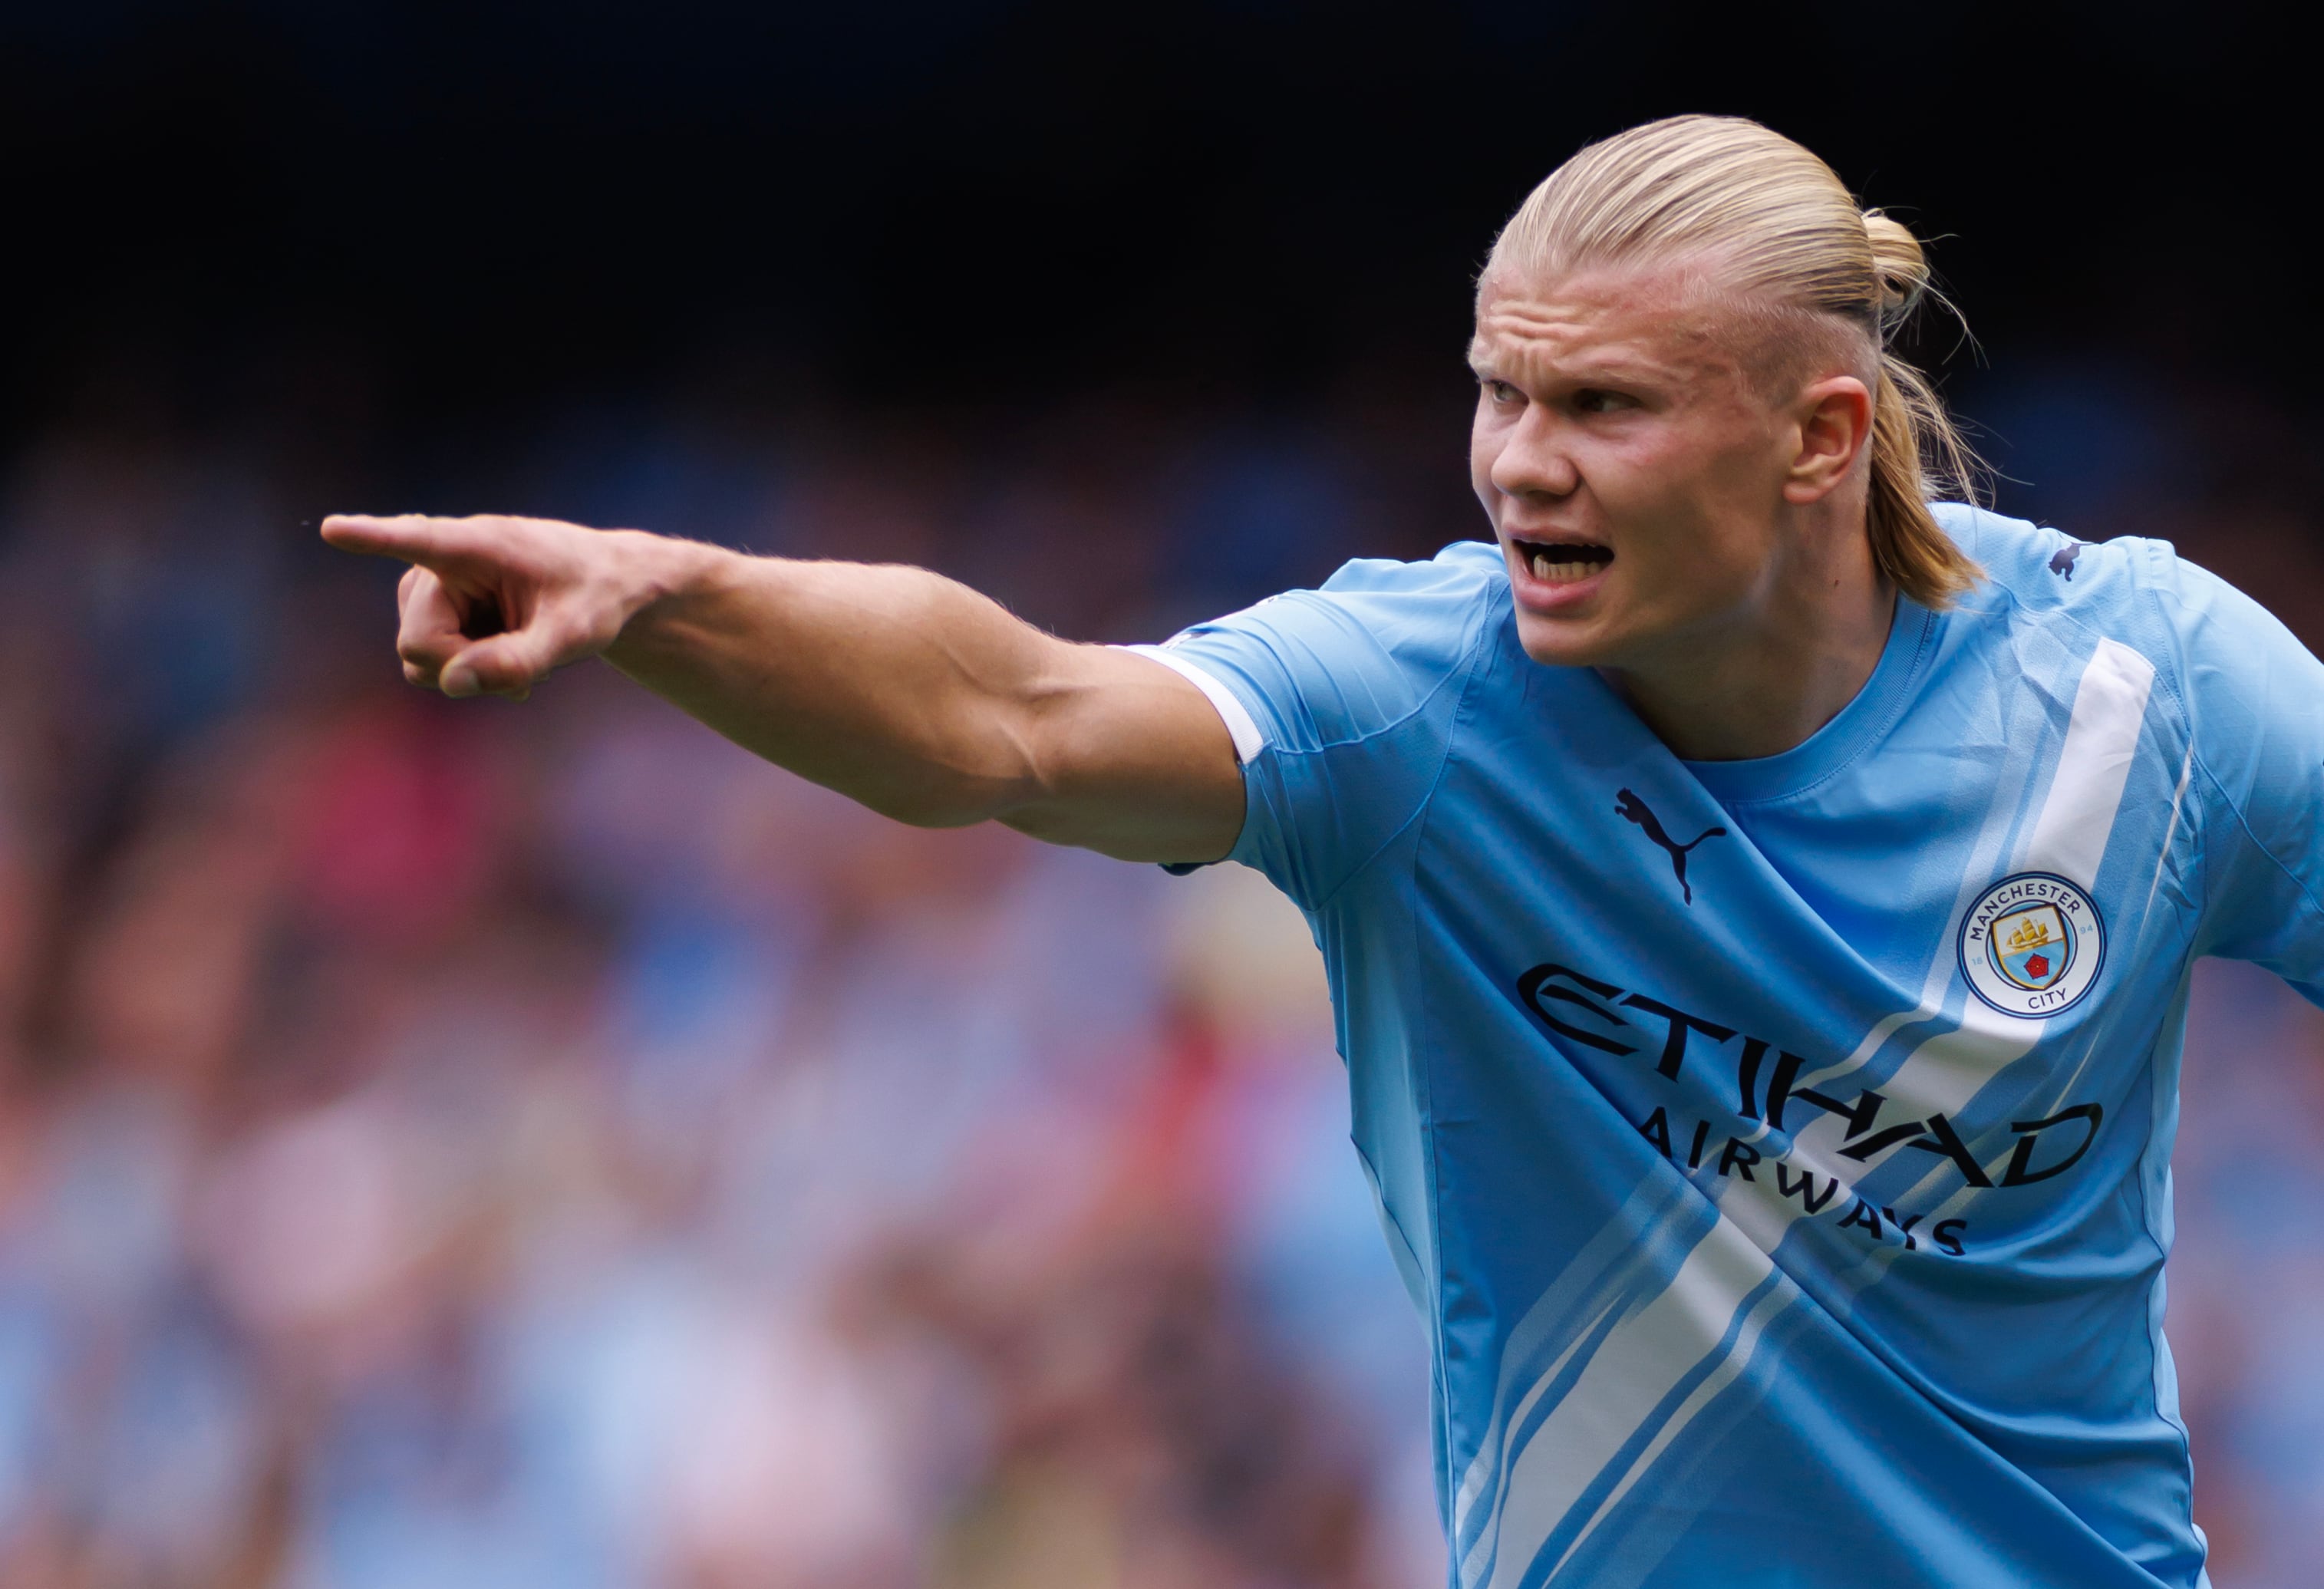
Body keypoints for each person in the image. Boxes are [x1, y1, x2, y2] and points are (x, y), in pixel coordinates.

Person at [323, 115, 2321, 1588]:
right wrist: (672, 593)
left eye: (1603, 405)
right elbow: (1011, 718)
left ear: (1815, 437)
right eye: (1500, 390)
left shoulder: (2148, 697)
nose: (1522, 459)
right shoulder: (1419, 708)